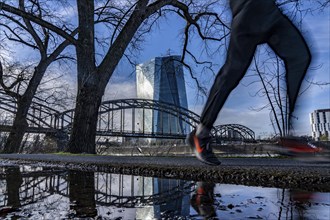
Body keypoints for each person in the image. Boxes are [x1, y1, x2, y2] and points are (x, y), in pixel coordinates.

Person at [187, 0, 311, 165]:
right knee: (232, 72)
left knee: (300, 57)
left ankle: (289, 136)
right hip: (248, 11)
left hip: (270, 11)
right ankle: (201, 134)